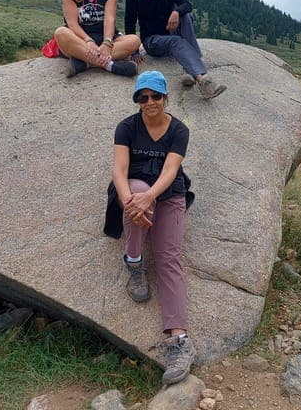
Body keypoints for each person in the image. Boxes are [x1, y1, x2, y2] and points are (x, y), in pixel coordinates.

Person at [105, 70, 196, 385]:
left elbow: (172, 170)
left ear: (165, 98)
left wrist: (149, 200)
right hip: (133, 186)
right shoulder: (127, 128)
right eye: (143, 98)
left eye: (155, 96)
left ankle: (180, 340)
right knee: (132, 194)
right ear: (137, 101)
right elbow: (119, 169)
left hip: (167, 193)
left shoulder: (179, 130)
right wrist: (131, 201)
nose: (150, 102)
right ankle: (134, 261)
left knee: (170, 259)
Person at [124, 0, 226, 99]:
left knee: (186, 16)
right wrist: (134, 51)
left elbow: (187, 4)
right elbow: (129, 19)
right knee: (176, 40)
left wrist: (176, 12)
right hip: (152, 41)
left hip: (170, 33)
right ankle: (201, 79)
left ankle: (189, 71)